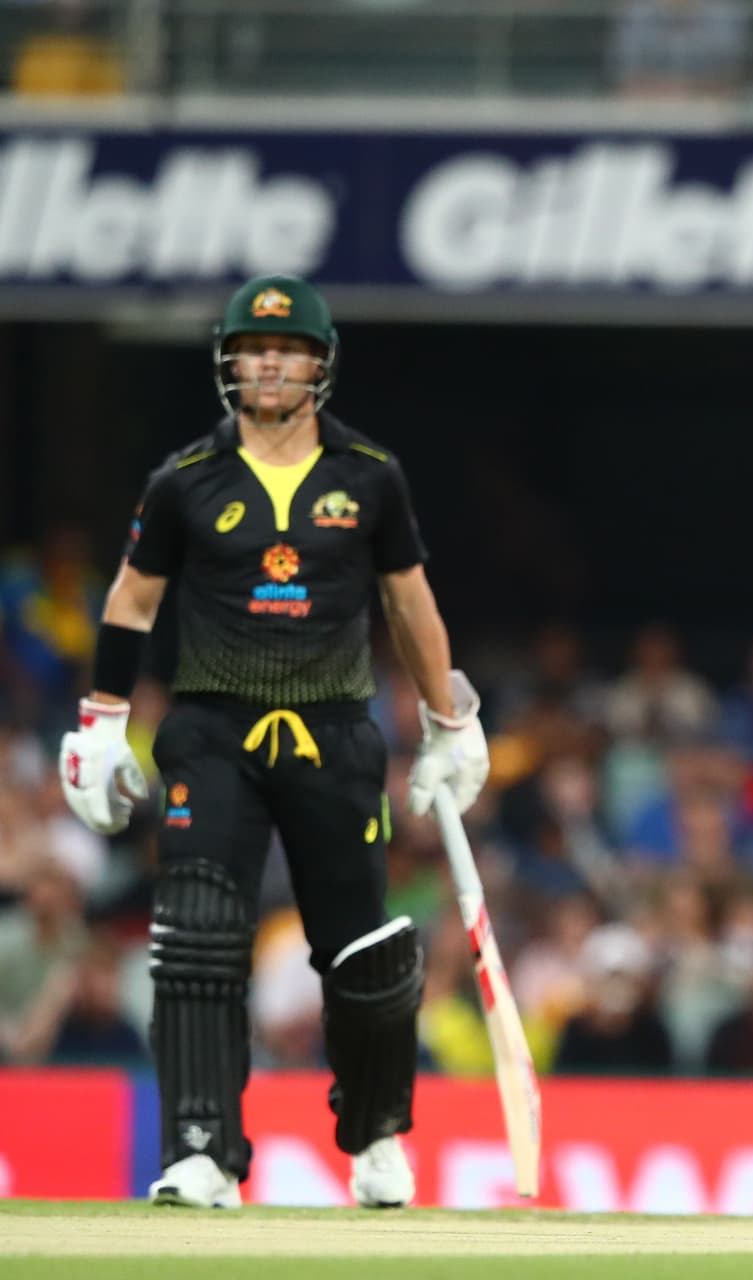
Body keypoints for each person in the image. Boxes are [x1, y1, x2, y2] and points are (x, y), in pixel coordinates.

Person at [56, 275, 489, 1210]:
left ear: (319, 366)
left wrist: (450, 722)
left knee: (362, 951)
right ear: (229, 361)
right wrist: (99, 721)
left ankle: (376, 1134)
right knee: (199, 940)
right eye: (254, 349)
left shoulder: (369, 473)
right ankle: (202, 1150)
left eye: (288, 350)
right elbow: (133, 600)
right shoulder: (185, 478)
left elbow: (409, 604)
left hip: (336, 734)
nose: (269, 364)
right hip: (212, 733)